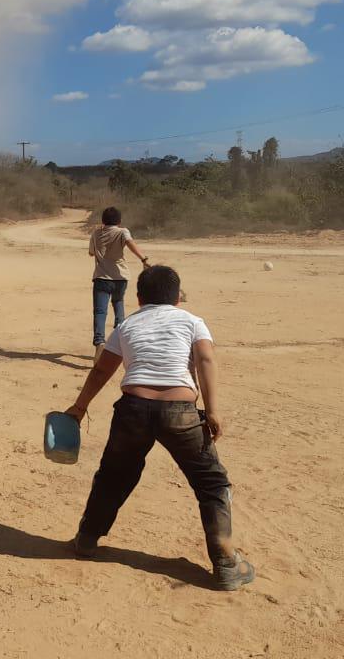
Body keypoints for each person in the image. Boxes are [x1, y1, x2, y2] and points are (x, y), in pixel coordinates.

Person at [63, 265, 255, 591]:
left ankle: (86, 540)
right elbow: (206, 360)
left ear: (138, 298)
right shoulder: (192, 321)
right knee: (211, 483)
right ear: (178, 297)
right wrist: (212, 410)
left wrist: (79, 408)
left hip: (133, 410)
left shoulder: (127, 325)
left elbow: (101, 372)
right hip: (180, 412)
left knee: (113, 476)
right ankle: (225, 564)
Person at [89, 207, 149, 360]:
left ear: (103, 220)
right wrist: (143, 259)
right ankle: (120, 344)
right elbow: (130, 244)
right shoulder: (123, 232)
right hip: (120, 277)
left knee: (100, 312)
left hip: (101, 277)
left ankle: (100, 343)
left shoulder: (96, 233)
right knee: (118, 305)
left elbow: (91, 253)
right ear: (119, 221)